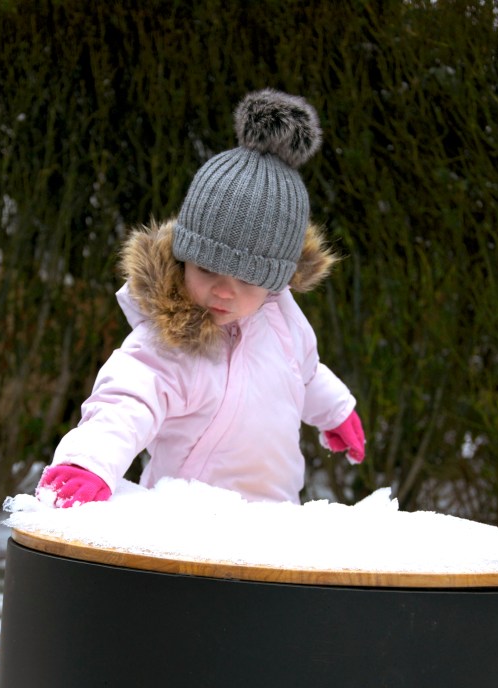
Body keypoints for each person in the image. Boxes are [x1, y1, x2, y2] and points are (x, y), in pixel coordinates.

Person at [37, 88, 365, 509]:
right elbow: (126, 402)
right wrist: (88, 462)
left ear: (275, 281)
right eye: (207, 269)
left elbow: (305, 373)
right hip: (187, 527)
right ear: (184, 257)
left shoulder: (284, 321)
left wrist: (336, 410)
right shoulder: (168, 345)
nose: (224, 290)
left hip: (279, 519)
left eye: (247, 279)